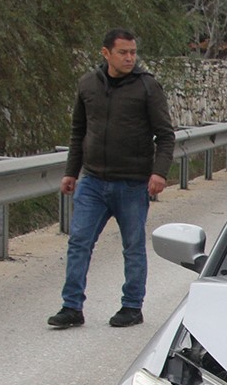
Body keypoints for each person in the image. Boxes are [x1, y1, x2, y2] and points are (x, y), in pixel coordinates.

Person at [48, 29, 175, 329]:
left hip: (132, 183)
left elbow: (166, 135)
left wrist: (159, 172)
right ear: (106, 53)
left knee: (132, 246)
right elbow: (78, 132)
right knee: (79, 242)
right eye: (123, 52)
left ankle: (132, 306)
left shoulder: (147, 87)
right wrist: (71, 172)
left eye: (133, 52)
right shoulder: (87, 84)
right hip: (92, 181)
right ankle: (71, 307)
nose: (130, 57)